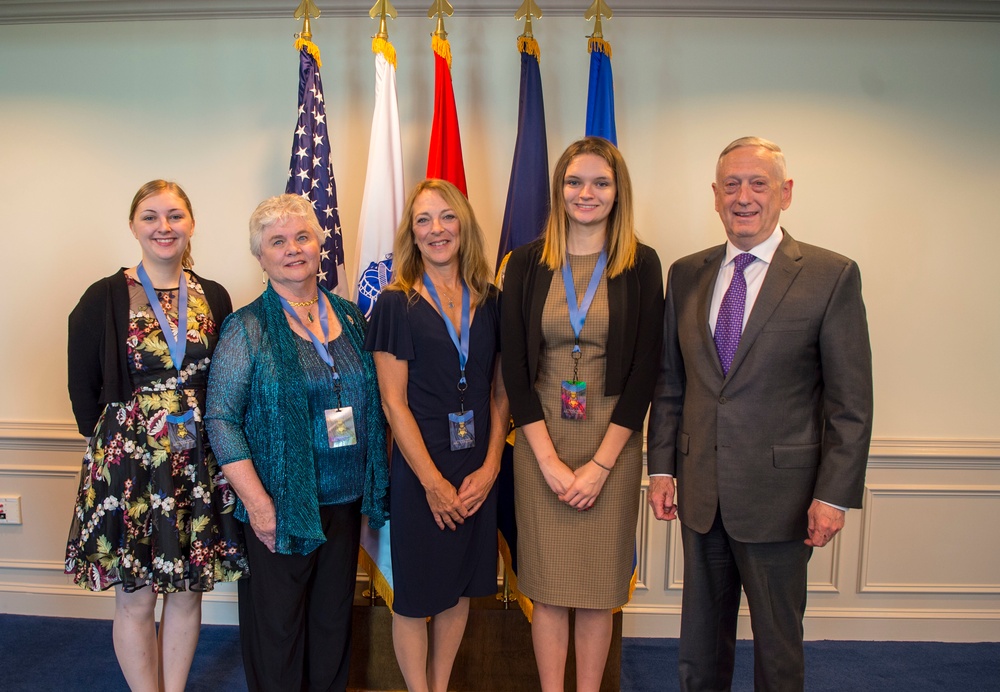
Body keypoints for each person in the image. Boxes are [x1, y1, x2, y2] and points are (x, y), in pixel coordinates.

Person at [647, 136, 874, 692]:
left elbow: (850, 403)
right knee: (699, 650)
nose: (743, 197)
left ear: (785, 194)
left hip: (784, 500)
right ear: (715, 196)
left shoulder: (830, 275)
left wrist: (833, 494)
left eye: (757, 184)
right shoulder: (685, 274)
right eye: (731, 185)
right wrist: (661, 469)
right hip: (701, 495)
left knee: (777, 648)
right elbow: (671, 382)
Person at [65, 180, 247, 692]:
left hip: (196, 463)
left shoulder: (213, 294)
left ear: (191, 223)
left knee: (188, 591)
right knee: (137, 594)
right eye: (150, 217)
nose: (163, 227)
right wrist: (119, 443)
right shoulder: (104, 296)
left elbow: (226, 377)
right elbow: (83, 385)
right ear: (133, 226)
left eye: (173, 216)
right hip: (130, 465)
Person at [205, 194, 389, 691]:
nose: (292, 249)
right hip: (281, 506)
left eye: (302, 237)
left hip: (346, 500)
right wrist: (258, 504)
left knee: (331, 624)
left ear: (320, 243)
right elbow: (221, 419)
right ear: (260, 257)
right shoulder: (248, 327)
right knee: (279, 629)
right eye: (277, 241)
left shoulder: (351, 317)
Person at [501, 137, 664, 691]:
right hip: (540, 441)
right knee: (546, 587)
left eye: (600, 182)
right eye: (574, 182)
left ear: (618, 192)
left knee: (598, 591)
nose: (585, 193)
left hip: (611, 445)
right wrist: (545, 460)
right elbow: (516, 371)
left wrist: (598, 467)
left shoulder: (642, 263)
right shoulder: (524, 264)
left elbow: (645, 370)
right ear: (558, 190)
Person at [365, 179, 508, 692]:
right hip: (420, 471)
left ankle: (441, 685)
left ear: (463, 223)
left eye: (446, 217)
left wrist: (491, 468)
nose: (436, 229)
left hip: (476, 470)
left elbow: (499, 392)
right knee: (418, 594)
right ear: (412, 233)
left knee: (461, 587)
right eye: (423, 220)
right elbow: (393, 403)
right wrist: (430, 482)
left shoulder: (491, 300)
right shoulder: (395, 303)